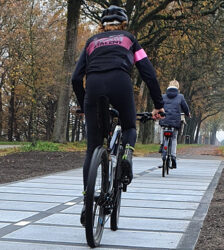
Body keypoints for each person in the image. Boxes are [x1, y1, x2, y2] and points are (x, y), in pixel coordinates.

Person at [71, 5, 165, 225]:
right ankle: (126, 156)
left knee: (92, 148)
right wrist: (158, 105)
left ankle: (87, 204)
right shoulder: (129, 39)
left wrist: (84, 106)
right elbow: (148, 72)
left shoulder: (91, 42)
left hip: (93, 86)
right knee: (130, 127)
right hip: (120, 82)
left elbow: (76, 78)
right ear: (124, 23)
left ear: (102, 25)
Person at [158, 79, 190, 168]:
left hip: (164, 119)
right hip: (175, 121)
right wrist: (188, 114)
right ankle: (173, 157)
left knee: (163, 128)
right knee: (174, 138)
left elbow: (158, 106)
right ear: (177, 87)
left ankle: (162, 144)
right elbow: (185, 108)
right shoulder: (180, 97)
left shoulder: (163, 96)